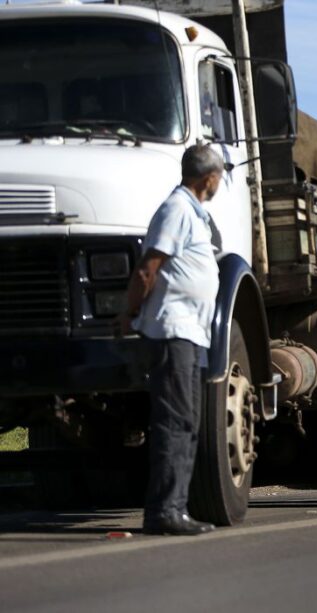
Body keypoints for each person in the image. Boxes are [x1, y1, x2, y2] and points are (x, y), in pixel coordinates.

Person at [116, 144, 224, 536]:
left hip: (190, 333)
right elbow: (148, 269)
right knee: (176, 421)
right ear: (208, 178)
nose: (220, 182)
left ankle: (174, 506)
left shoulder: (193, 212)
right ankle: (164, 511)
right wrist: (129, 314)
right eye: (219, 176)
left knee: (187, 421)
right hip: (172, 329)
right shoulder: (177, 209)